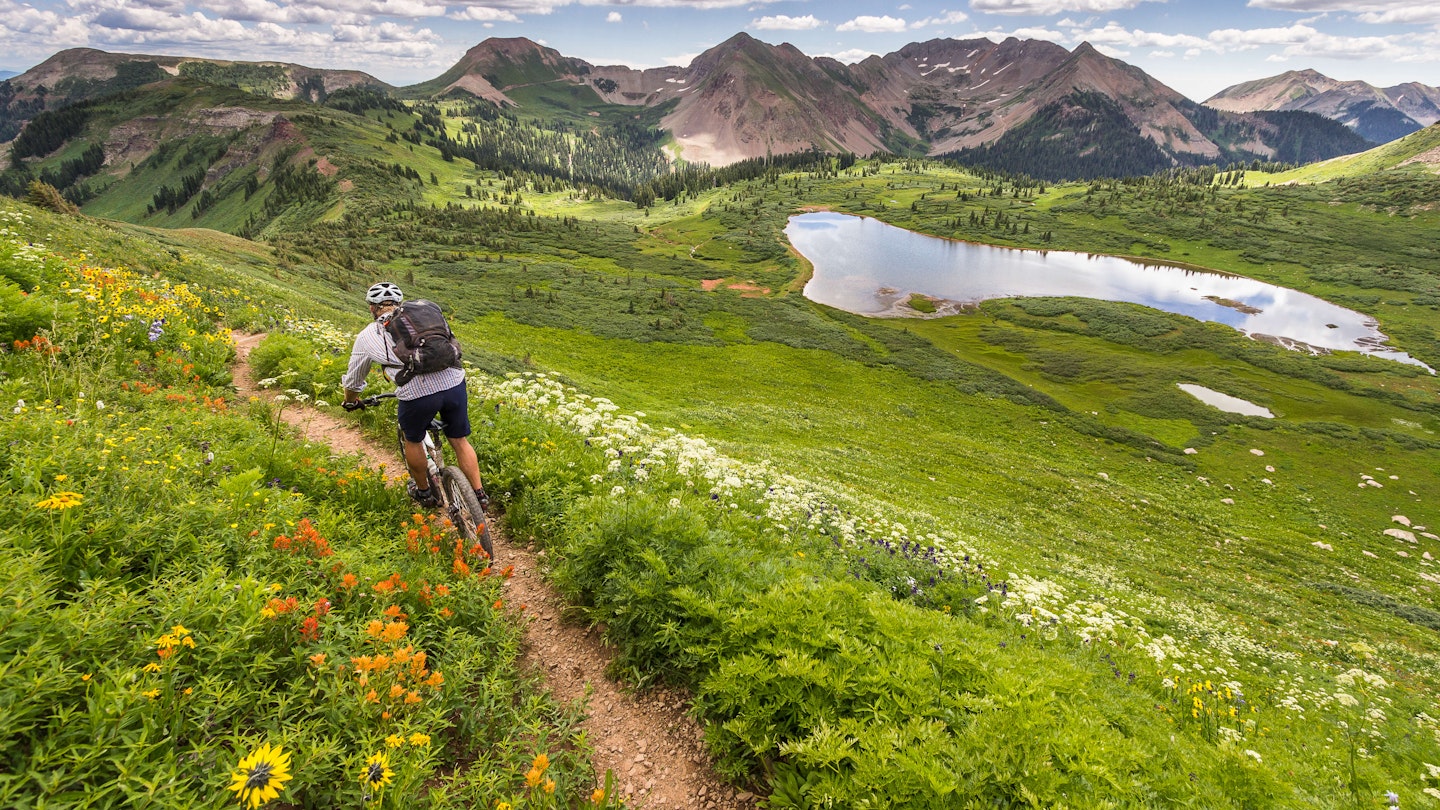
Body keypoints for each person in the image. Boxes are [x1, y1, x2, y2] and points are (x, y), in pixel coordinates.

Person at [341, 282, 487, 509]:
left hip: (417, 393)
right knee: (459, 440)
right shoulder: (423, 318)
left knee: (413, 438)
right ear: (399, 304)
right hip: (454, 383)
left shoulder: (367, 336)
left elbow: (354, 380)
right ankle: (479, 495)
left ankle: (424, 493)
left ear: (372, 308)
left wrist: (351, 400)